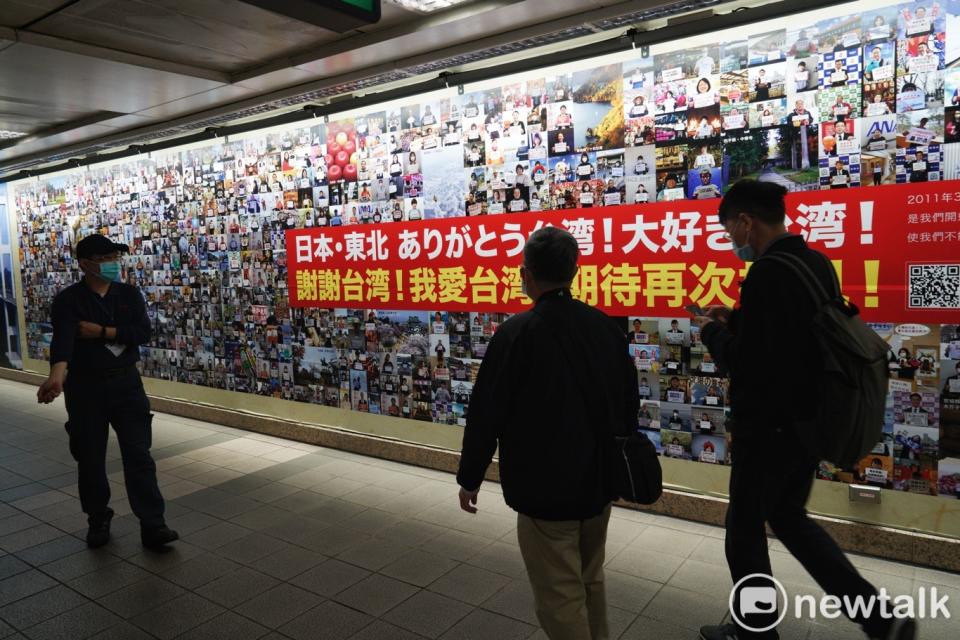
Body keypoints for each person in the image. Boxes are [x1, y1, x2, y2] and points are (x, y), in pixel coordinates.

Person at [691, 180, 915, 640]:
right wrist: (736, 320)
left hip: (769, 427)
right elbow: (791, 340)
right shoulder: (813, 263)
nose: (731, 239)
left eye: (729, 228)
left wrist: (712, 334)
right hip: (806, 422)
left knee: (744, 530)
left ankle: (755, 632)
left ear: (745, 222)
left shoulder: (768, 274)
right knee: (789, 518)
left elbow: (749, 363)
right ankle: (878, 617)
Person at [457, 227, 637, 640]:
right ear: (575, 271)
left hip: (544, 489)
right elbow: (628, 404)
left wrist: (470, 476)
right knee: (591, 579)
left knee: (559, 595)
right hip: (598, 483)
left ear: (527, 274)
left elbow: (487, 413)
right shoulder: (606, 328)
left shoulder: (516, 334)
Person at [36, 234, 179, 550]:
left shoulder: (128, 294)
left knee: (139, 455)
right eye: (105, 260)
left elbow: (141, 332)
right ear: (85, 264)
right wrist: (56, 377)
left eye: (116, 258)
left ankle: (153, 525)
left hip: (126, 384)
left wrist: (100, 331)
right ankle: (98, 517)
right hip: (85, 387)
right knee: (89, 458)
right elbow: (63, 342)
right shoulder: (69, 300)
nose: (113, 264)